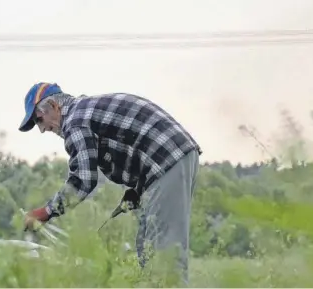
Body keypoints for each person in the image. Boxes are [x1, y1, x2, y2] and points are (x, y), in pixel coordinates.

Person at [20, 82, 202, 286]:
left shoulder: (75, 121)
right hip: (171, 157)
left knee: (164, 259)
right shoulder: (84, 111)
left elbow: (83, 179)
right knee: (148, 248)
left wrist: (45, 212)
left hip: (166, 157)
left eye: (39, 120)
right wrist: (138, 189)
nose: (42, 129)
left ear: (54, 106)